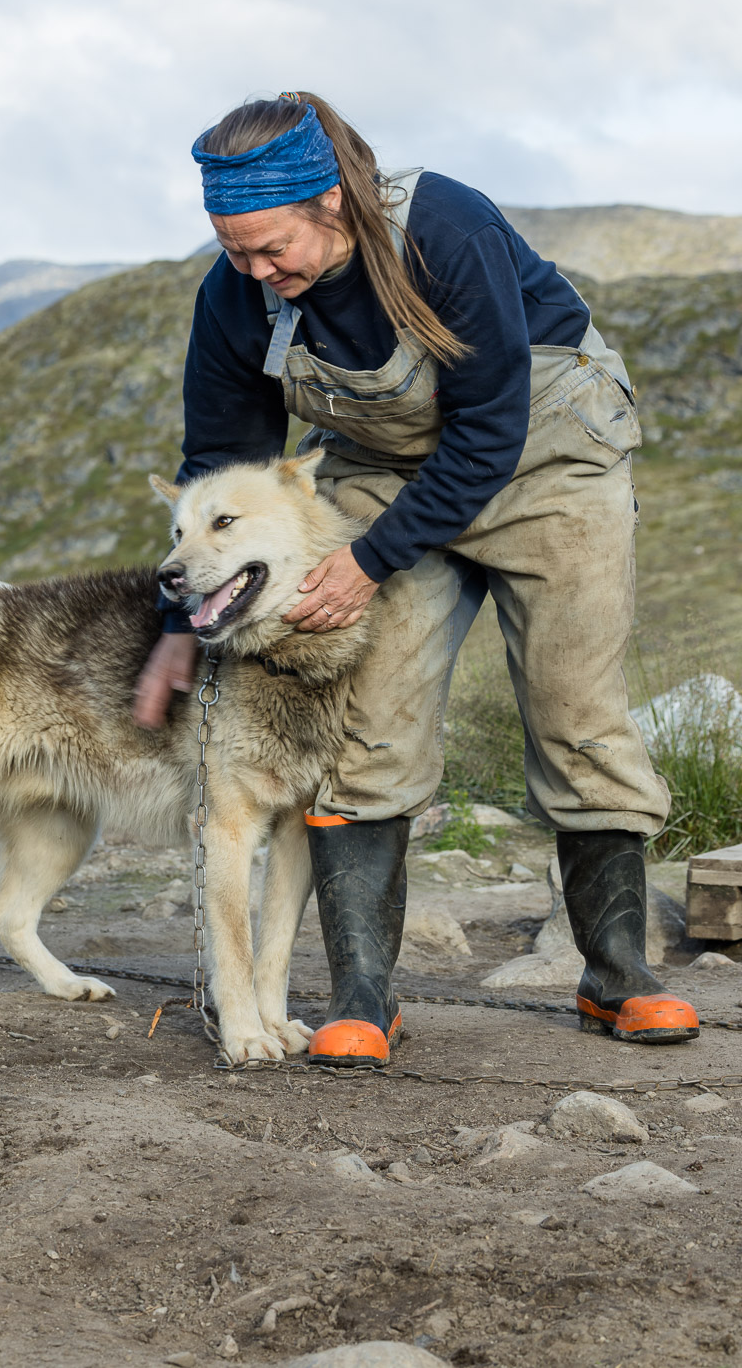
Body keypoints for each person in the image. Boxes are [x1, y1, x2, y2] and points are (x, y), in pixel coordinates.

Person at [133, 90, 699, 1066]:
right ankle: (363, 991)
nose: (256, 272)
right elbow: (222, 458)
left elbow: (487, 430)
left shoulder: (442, 230)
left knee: (575, 707)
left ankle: (617, 974)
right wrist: (182, 622)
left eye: (273, 249)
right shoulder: (234, 296)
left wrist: (367, 559)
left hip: (546, 456)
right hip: (382, 468)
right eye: (233, 250)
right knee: (365, 710)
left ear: (335, 204)